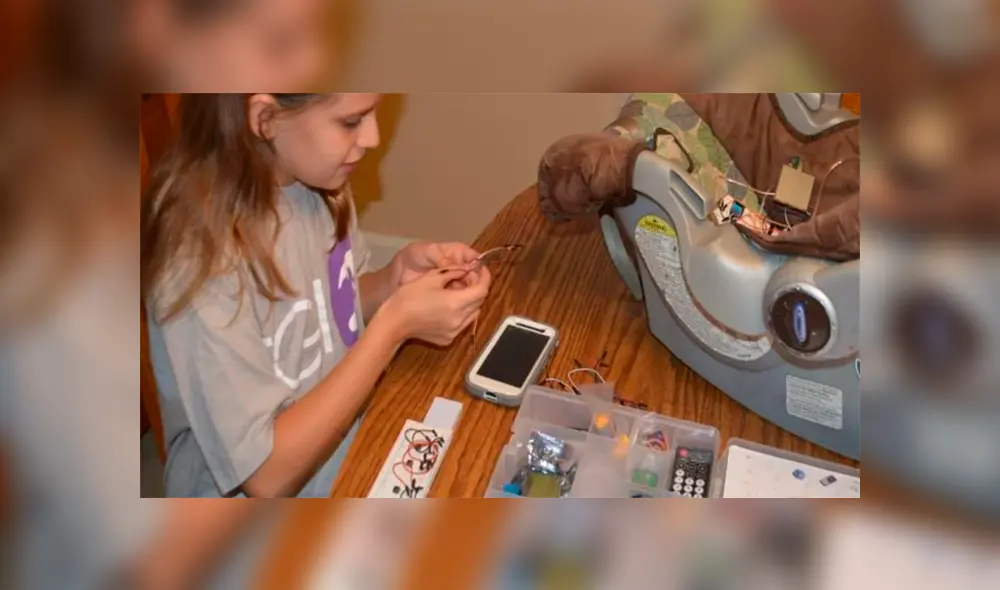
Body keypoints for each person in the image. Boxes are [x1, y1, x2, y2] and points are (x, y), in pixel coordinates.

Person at [141, 93, 492, 498]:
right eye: (351, 121)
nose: (373, 137)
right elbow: (266, 475)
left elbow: (328, 311)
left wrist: (392, 282)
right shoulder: (196, 257)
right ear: (266, 117)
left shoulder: (316, 185)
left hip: (346, 444)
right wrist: (393, 327)